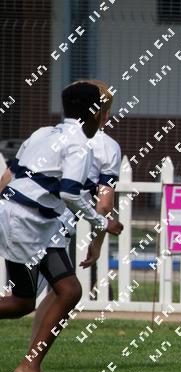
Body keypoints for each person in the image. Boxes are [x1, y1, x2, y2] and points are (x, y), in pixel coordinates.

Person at [0, 81, 123, 372]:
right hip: (27, 223)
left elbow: (8, 177)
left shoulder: (42, 133)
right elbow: (70, 193)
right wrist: (102, 223)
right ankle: (29, 366)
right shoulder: (81, 145)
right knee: (23, 301)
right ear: (98, 115)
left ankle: (29, 366)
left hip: (36, 223)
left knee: (67, 290)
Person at [30, 79, 122, 346]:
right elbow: (104, 204)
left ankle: (31, 358)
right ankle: (31, 358)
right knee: (51, 294)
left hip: (20, 216)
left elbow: (10, 176)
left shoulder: (44, 135)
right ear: (104, 114)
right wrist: (97, 242)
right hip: (52, 226)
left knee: (54, 291)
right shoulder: (107, 147)